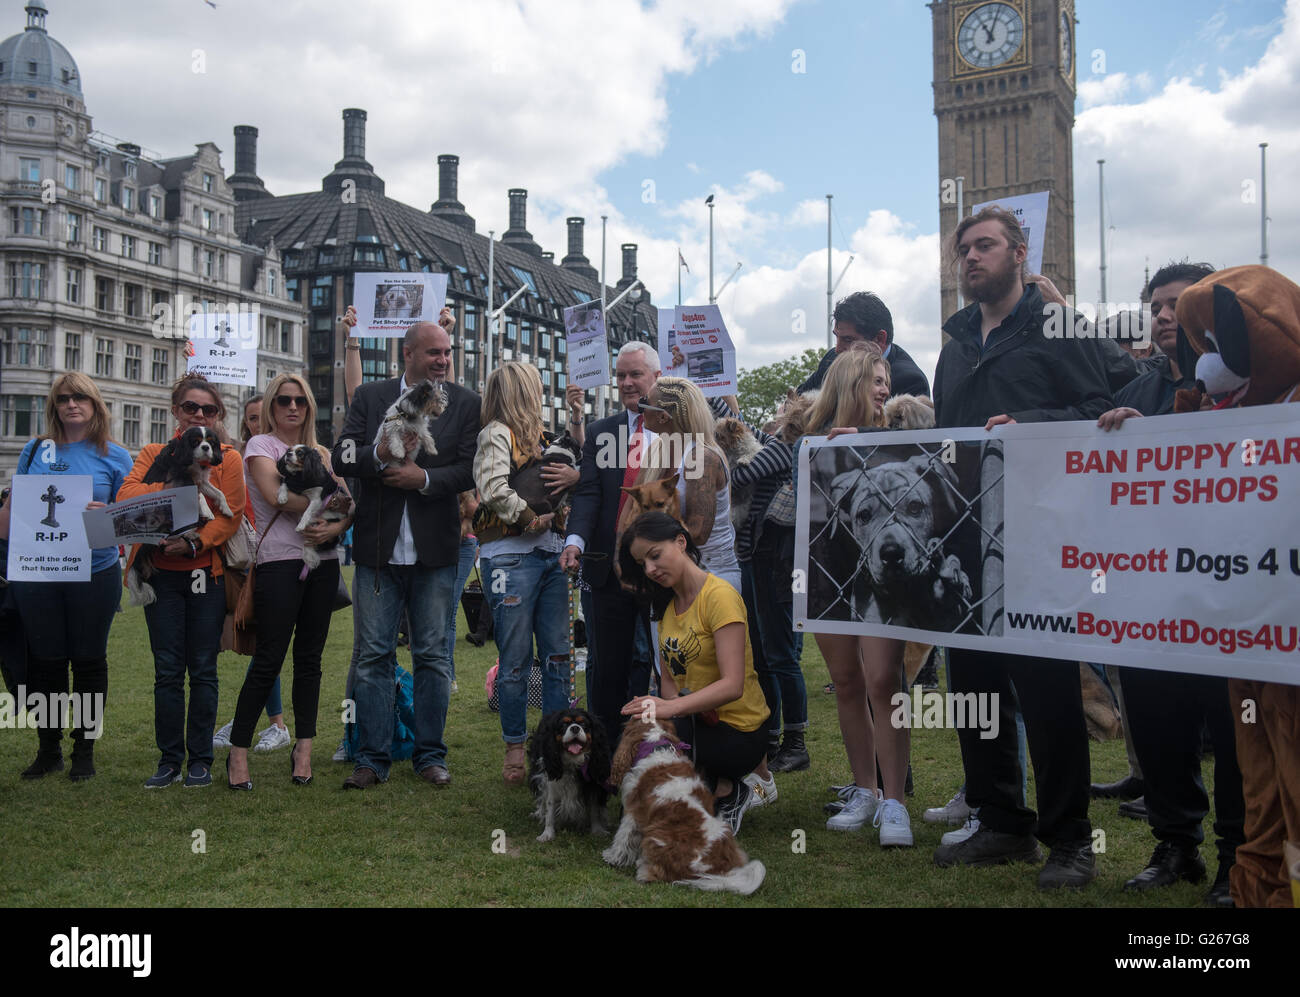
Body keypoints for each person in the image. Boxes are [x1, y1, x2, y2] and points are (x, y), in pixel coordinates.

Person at [931, 206, 1113, 888]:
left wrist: (1028, 425)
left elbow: (1100, 409)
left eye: (986, 246)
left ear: (1019, 251)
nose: (972, 258)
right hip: (965, 540)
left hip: (1039, 535)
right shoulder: (954, 345)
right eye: (965, 249)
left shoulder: (1055, 327)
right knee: (972, 683)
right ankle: (1001, 819)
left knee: (1046, 691)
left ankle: (1069, 838)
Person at [1095, 261, 1242, 907]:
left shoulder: (1257, 389)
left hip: (1229, 597)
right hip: (1150, 597)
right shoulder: (1138, 387)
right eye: (1155, 305)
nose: (1162, 316)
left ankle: (1238, 858)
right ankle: (1175, 843)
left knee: (1236, 731)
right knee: (1158, 722)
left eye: (1177, 305)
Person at [331, 318, 479, 789]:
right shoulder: (370, 398)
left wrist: (426, 480)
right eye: (433, 352)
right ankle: (371, 759)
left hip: (436, 555)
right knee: (373, 656)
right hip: (377, 554)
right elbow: (341, 457)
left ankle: (430, 755)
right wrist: (377, 457)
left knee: (433, 656)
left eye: (447, 352)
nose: (443, 360)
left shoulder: (464, 404)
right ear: (407, 353)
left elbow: (469, 470)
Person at [797, 344, 915, 846]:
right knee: (845, 681)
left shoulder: (903, 438)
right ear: (849, 384)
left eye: (886, 380)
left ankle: (895, 802)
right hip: (824, 570)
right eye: (875, 380)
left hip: (880, 576)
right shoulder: (807, 442)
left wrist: (865, 440)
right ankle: (864, 789)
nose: (885, 388)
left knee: (884, 679)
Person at [0, 374, 131, 781]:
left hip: (94, 571)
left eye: (80, 397)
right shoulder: (35, 450)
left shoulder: (115, 455)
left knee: (90, 662)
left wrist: (104, 514)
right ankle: (48, 749)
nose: (71, 404)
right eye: (63, 398)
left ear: (95, 404)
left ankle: (85, 751)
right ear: (54, 406)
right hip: (38, 571)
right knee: (46, 663)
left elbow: (130, 522)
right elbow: (14, 512)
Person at [224, 375, 352, 789]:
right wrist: (330, 506)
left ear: (309, 407)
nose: (292, 407)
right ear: (272, 406)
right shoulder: (260, 447)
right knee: (269, 659)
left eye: (300, 400)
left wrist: (336, 526)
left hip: (323, 562)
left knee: (310, 662)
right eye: (283, 400)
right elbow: (273, 490)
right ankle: (238, 752)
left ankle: (304, 748)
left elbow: (350, 506)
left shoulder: (324, 454)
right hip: (279, 562)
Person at [119, 373, 246, 789]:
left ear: (218, 415)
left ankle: (201, 760)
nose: (199, 414)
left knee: (204, 670)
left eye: (208, 409)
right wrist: (179, 488)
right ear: (176, 410)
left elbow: (230, 518)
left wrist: (192, 544)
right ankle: (170, 759)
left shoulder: (226, 457)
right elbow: (126, 498)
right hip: (160, 576)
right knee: (167, 671)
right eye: (191, 407)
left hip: (203, 574)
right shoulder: (156, 452)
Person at [618, 512, 771, 834]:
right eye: (642, 563)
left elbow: (733, 685)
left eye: (654, 555)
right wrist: (667, 715)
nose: (649, 569)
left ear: (681, 541)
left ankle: (730, 790)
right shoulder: (666, 609)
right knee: (642, 738)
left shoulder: (720, 596)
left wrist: (672, 711)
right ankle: (710, 788)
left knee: (658, 747)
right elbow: (670, 685)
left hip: (739, 732)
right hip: (699, 724)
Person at [473, 362, 573, 783]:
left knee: (556, 657)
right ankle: (516, 747)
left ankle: (548, 750)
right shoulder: (496, 433)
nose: (539, 393)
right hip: (512, 555)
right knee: (517, 660)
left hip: (549, 555)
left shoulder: (545, 437)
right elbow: (493, 488)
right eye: (534, 386)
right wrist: (532, 518)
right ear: (521, 391)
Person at [560, 341, 660, 746]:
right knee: (605, 672)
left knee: (662, 665)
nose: (627, 382)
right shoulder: (601, 432)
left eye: (635, 374)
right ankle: (602, 757)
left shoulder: (679, 432)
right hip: (604, 572)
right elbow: (587, 496)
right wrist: (575, 542)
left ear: (656, 376)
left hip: (660, 572)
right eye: (620, 375)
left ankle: (656, 751)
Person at [213, 392, 291, 754]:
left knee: (266, 644)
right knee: (262, 644)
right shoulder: (239, 455)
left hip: (271, 556)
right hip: (246, 557)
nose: (257, 424)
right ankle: (269, 722)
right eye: (251, 418)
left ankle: (271, 724)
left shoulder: (281, 454)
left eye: (262, 416)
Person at [636, 377, 740, 591]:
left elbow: (698, 533)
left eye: (644, 403)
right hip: (674, 578)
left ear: (663, 416)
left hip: (709, 580)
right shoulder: (663, 453)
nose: (640, 410)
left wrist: (644, 539)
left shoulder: (701, 457)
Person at [799, 291, 930, 398]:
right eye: (836, 337)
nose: (838, 349)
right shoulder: (831, 361)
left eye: (848, 340)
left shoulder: (909, 382)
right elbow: (796, 401)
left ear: (879, 339)